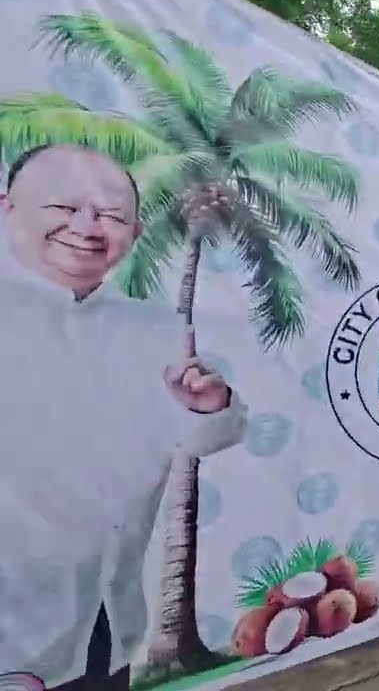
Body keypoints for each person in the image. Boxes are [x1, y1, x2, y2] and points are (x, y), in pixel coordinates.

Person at [0, 144, 247, 690]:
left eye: (111, 216)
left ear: (133, 235)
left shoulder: (154, 329)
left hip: (107, 624)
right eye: (63, 207)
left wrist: (212, 408)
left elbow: (204, 437)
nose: (87, 227)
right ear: (7, 207)